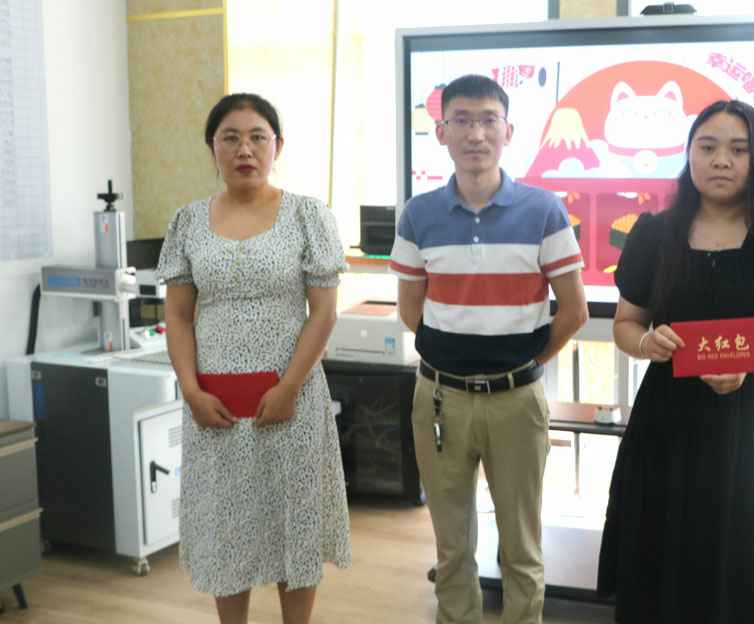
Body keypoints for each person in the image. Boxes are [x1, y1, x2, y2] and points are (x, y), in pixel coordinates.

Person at [596, 99, 754, 623]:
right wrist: (647, 344)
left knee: (749, 563)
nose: (721, 161)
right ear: (689, 155)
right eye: (707, 147)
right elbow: (625, 325)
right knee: (667, 557)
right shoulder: (654, 234)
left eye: (738, 150)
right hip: (668, 422)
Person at [390, 74, 588, 624]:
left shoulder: (544, 210)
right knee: (451, 544)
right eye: (462, 120)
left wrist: (522, 365)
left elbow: (574, 311)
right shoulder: (418, 215)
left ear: (508, 131)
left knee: (521, 545)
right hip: (440, 399)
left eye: (487, 121)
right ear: (442, 132)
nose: (475, 134)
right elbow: (412, 311)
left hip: (516, 401)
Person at [157, 93, 351, 624]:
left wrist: (289, 388)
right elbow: (178, 317)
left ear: (277, 146)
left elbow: (323, 313)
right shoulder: (188, 222)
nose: (245, 149)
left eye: (257, 137)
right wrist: (191, 391)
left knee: (295, 520)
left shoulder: (307, 215)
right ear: (212, 148)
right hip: (214, 403)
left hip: (291, 398)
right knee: (227, 526)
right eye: (231, 138)